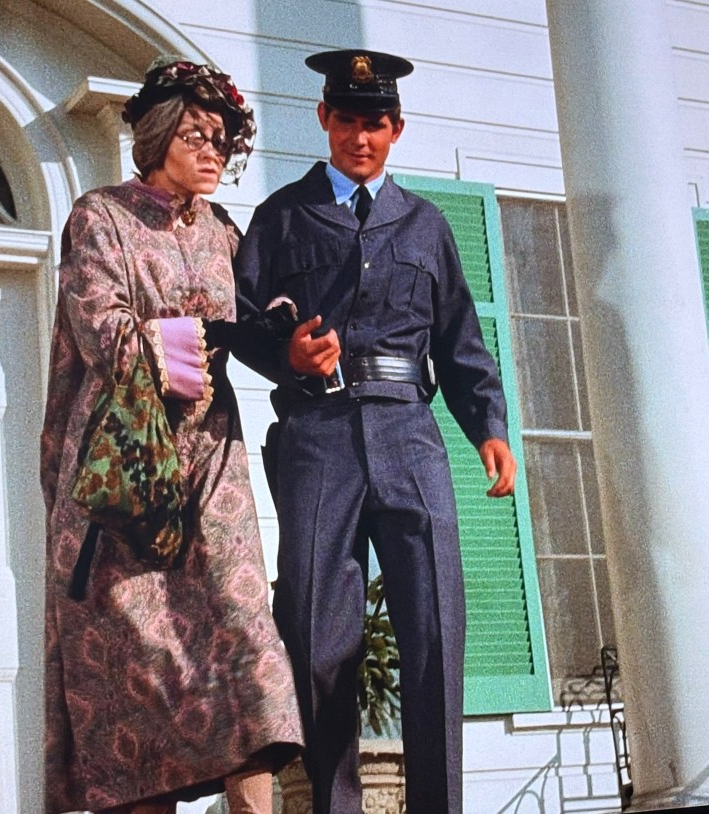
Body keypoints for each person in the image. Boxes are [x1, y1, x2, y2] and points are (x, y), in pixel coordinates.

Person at [232, 49, 518, 814]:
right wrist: (287, 355)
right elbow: (243, 319)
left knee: (433, 631)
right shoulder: (282, 217)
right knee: (316, 636)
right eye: (348, 121)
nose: (361, 137)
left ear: (397, 129)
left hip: (410, 435)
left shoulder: (425, 225)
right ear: (324, 118)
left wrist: (488, 425)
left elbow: (459, 340)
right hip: (317, 435)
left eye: (376, 124)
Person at [40, 56, 303, 814]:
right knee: (139, 679)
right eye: (198, 136)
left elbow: (260, 324)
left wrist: (287, 335)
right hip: (121, 474)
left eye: (223, 140)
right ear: (157, 138)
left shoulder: (225, 232)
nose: (214, 152)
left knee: (248, 652)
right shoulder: (100, 217)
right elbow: (104, 332)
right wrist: (200, 340)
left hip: (212, 465)